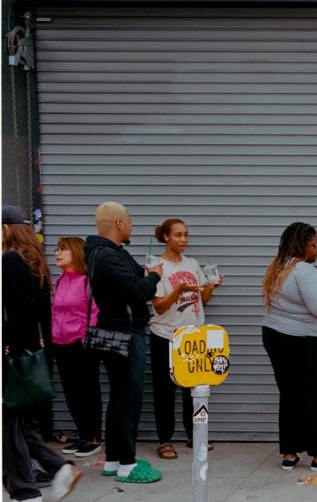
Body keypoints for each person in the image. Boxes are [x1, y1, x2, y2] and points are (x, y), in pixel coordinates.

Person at [3, 205, 84, 502]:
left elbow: (14, 315)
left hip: (13, 359)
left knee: (11, 428)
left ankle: (27, 494)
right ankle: (52, 473)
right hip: (30, 356)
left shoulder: (10, 261)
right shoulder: (32, 261)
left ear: (6, 229)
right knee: (19, 427)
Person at [263, 221, 317, 473]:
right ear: (303, 245)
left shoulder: (278, 266)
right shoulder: (303, 270)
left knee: (290, 396)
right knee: (313, 398)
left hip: (275, 336)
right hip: (304, 343)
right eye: (314, 244)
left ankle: (289, 454)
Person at [85, 201, 163, 484]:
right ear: (118, 223)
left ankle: (115, 459)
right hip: (125, 334)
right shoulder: (107, 256)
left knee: (119, 398)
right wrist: (155, 275)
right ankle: (127, 464)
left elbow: (129, 282)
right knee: (128, 398)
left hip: (114, 332)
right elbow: (139, 290)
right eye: (129, 221)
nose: (131, 225)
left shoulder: (104, 254)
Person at [149, 218, 223, 460]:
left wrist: (211, 286)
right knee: (165, 390)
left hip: (193, 335)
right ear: (166, 237)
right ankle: (164, 440)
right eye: (178, 235)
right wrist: (178, 291)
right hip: (165, 335)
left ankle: (196, 434)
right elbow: (159, 307)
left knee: (196, 387)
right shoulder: (156, 266)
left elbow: (203, 300)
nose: (184, 240)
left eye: (186, 235)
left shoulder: (192, 264)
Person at [50, 236, 102, 457]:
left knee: (87, 391)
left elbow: (95, 312)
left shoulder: (86, 281)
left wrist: (83, 338)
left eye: (62, 249)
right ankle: (82, 435)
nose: (57, 253)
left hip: (80, 345)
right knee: (71, 392)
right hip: (59, 344)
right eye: (56, 249)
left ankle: (93, 438)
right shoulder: (61, 280)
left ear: (76, 253)